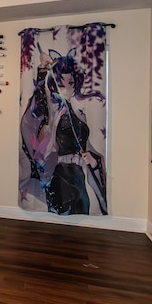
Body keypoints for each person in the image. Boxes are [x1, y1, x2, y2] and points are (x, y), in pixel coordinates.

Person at [43, 48, 107, 215]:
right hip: (62, 173)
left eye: (70, 83)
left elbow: (92, 146)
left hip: (81, 172)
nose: (66, 88)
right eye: (61, 83)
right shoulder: (55, 111)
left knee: (86, 206)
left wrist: (93, 161)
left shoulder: (82, 109)